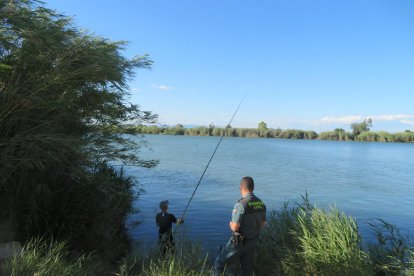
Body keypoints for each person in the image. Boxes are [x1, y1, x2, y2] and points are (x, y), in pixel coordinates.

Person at [213, 176, 266, 276]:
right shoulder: (261, 203)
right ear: (253, 188)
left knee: (218, 264)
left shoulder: (241, 204)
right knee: (247, 271)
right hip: (252, 242)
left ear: (241, 187)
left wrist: (231, 224)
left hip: (239, 243)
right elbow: (263, 224)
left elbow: (235, 227)